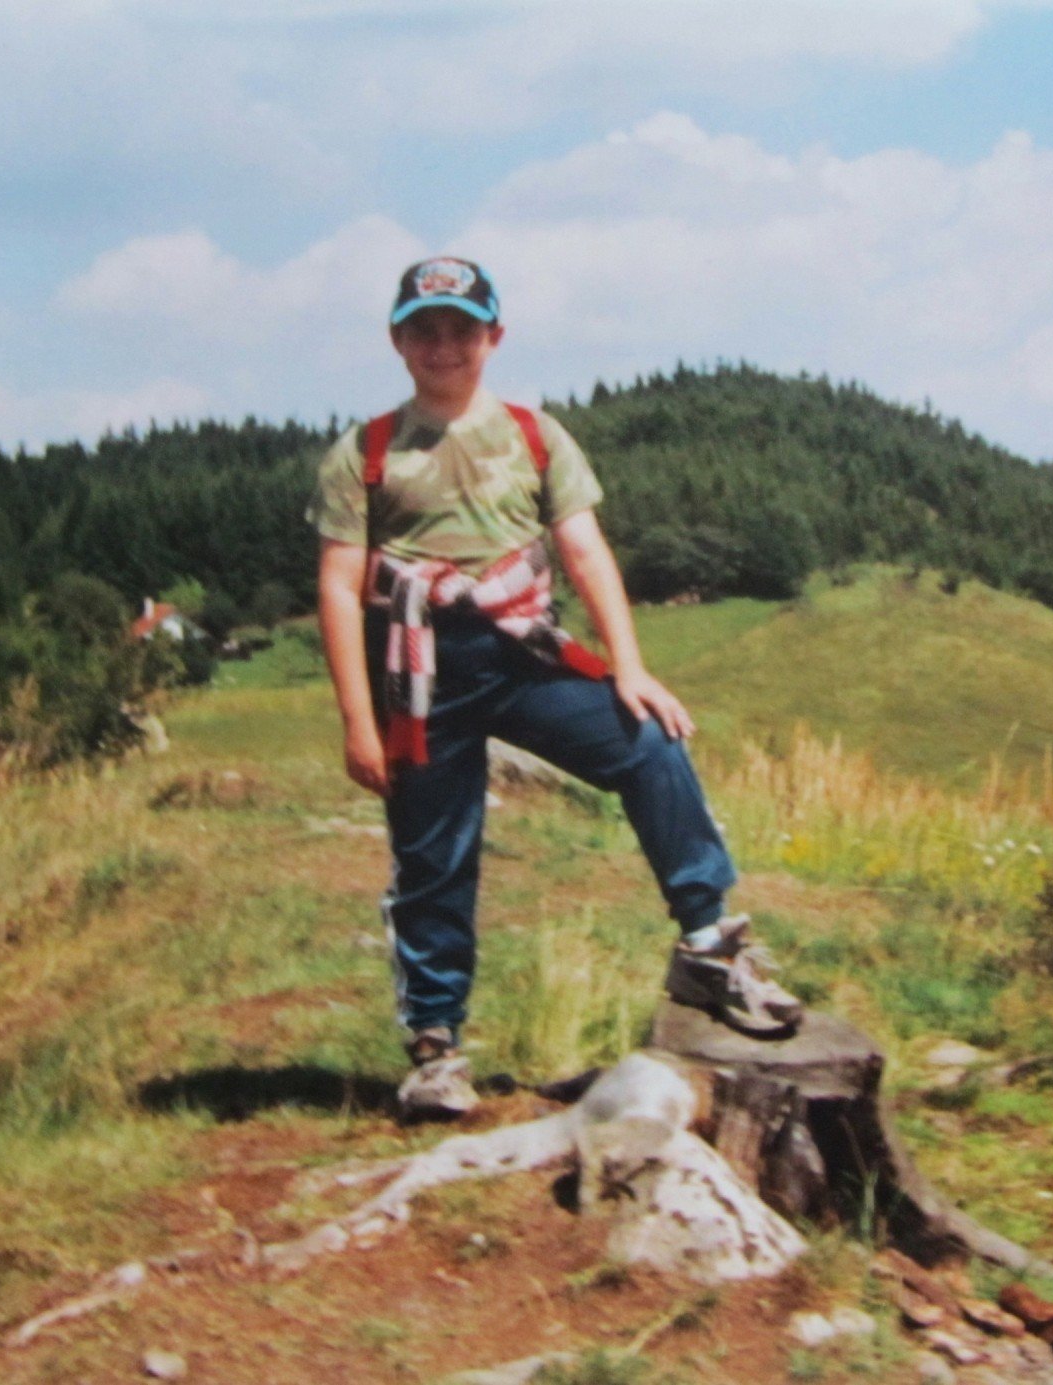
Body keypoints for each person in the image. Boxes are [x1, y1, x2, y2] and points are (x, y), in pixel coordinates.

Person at [308, 256, 802, 1118]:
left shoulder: (537, 436)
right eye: (425, 328)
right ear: (397, 340)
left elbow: (583, 549)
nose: (444, 345)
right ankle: (435, 1047)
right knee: (435, 857)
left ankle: (710, 943)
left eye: (462, 327)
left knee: (649, 743)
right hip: (420, 674)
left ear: (494, 336)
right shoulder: (366, 453)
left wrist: (631, 667)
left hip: (525, 652)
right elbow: (339, 588)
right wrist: (358, 720)